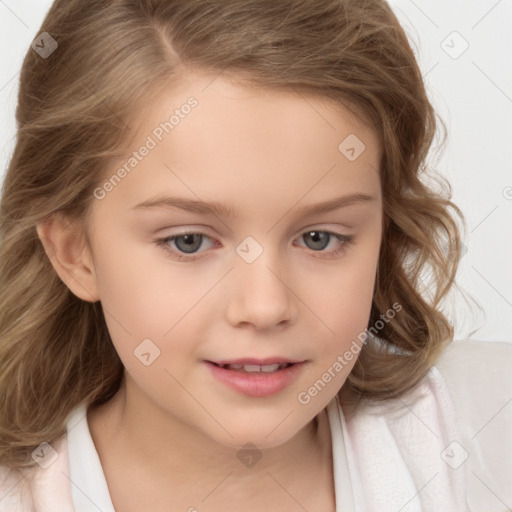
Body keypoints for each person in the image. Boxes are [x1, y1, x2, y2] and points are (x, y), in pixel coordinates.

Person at [0, 1, 510, 510]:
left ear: (385, 237)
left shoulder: (486, 434)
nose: (265, 307)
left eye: (319, 238)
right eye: (189, 241)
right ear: (75, 253)